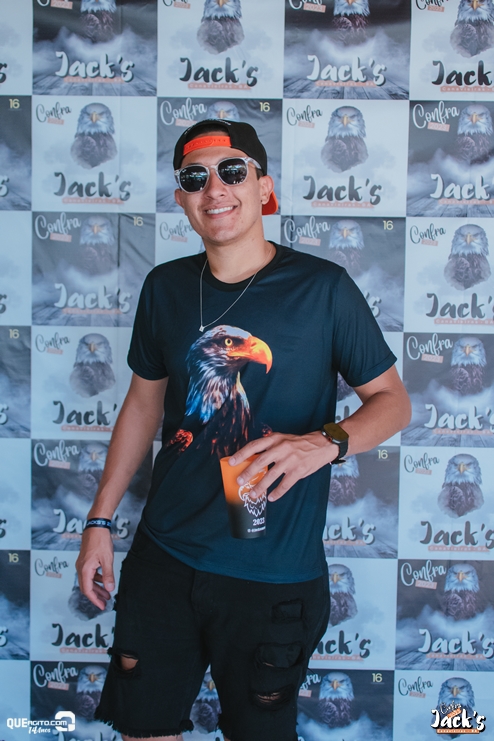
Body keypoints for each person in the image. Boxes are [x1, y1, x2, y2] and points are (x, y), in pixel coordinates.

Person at [76, 119, 411, 741]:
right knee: (144, 729)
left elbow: (392, 403)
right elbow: (143, 407)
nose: (215, 189)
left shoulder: (323, 288)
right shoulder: (165, 288)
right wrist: (99, 521)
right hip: (165, 556)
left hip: (273, 569)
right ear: (181, 198)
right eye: (195, 178)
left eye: (233, 171)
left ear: (263, 187)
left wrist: (324, 443)